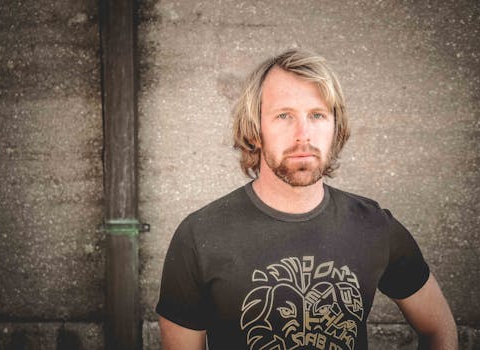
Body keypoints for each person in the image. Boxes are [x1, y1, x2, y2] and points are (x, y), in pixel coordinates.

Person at [156, 49, 458, 350]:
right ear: (255, 130)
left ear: (334, 127)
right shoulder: (199, 236)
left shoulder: (376, 227)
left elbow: (438, 328)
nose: (304, 134)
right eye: (284, 115)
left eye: (317, 115)